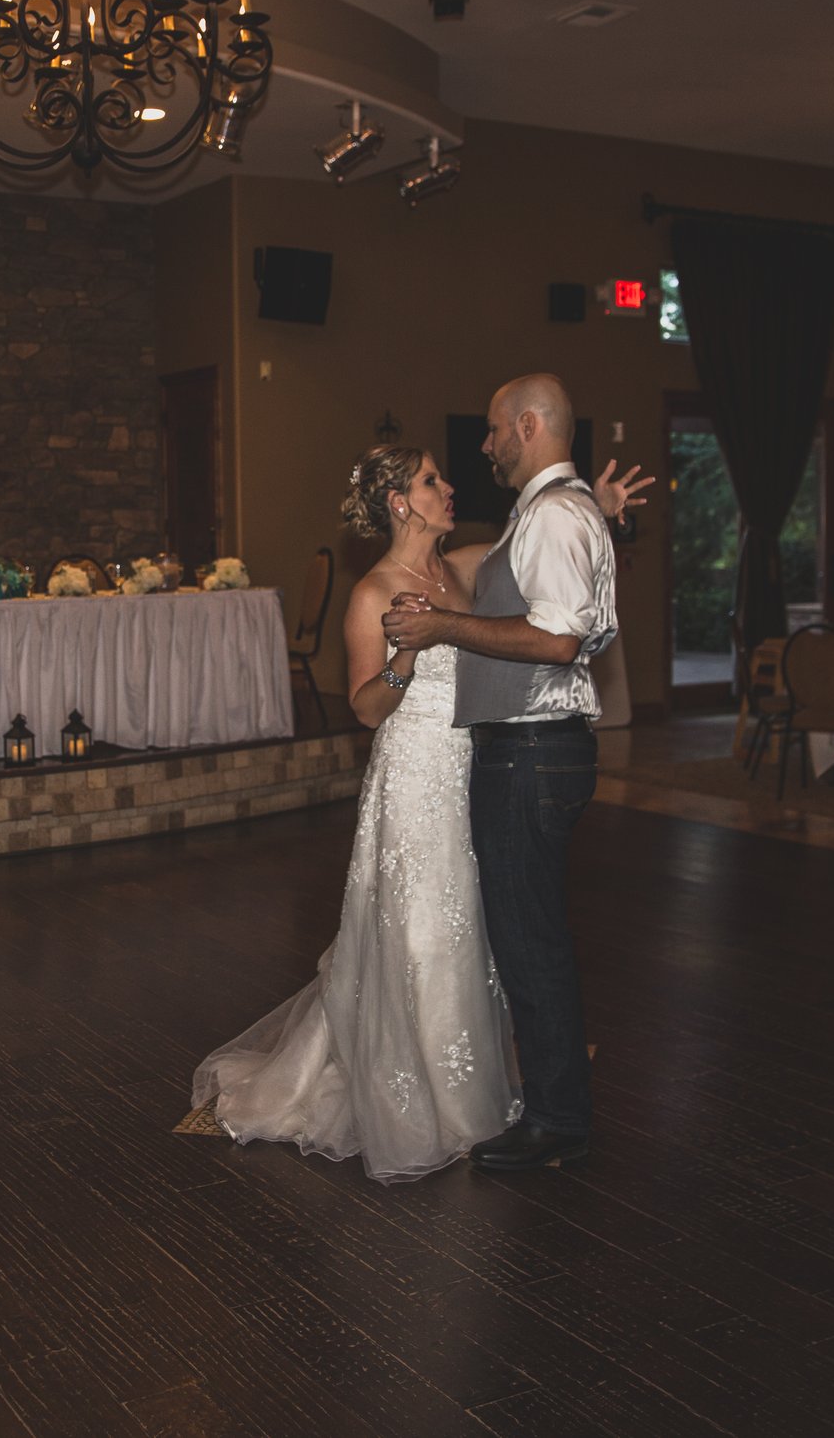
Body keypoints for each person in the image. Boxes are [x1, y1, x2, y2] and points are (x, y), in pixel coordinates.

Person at [191, 438, 649, 1181]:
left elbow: (527, 543)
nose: (449, 487)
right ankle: (417, 1104)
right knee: (421, 933)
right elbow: (368, 709)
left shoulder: (460, 568)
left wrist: (596, 505)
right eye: (433, 480)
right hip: (410, 774)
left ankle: (470, 1093)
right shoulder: (372, 592)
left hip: (471, 766)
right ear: (402, 502)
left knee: (468, 931)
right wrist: (403, 661)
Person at [384, 375, 648, 1172]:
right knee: (529, 934)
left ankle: (558, 1117)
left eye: (497, 431)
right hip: (530, 748)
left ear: (529, 426)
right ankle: (553, 1106)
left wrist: (441, 626)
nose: (487, 445)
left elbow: (559, 640)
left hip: (532, 749)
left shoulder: (556, 514)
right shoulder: (555, 514)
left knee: (530, 941)